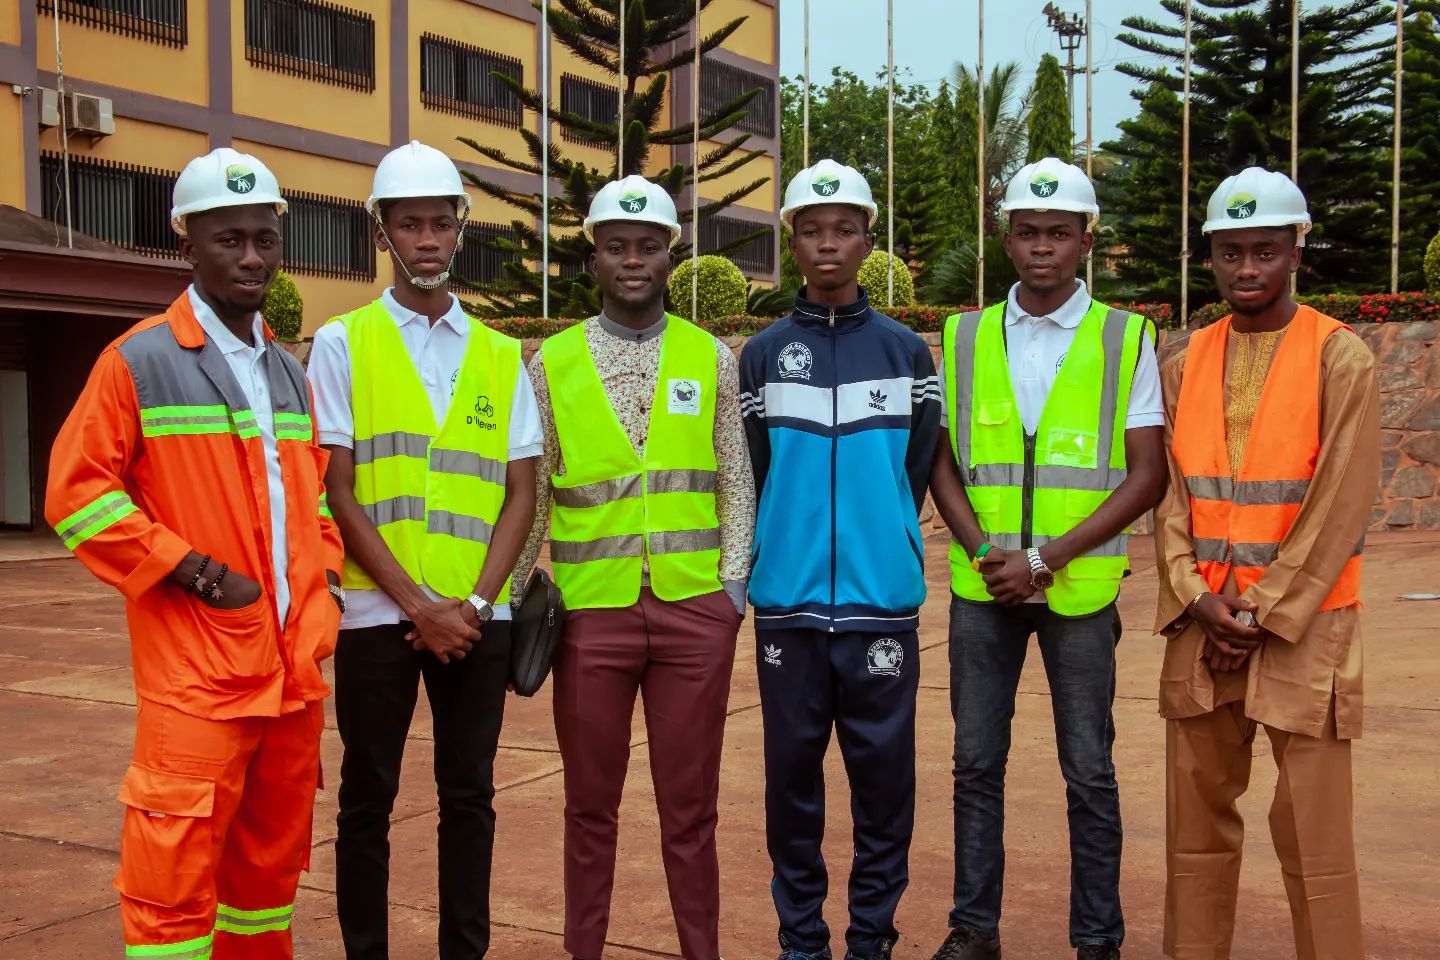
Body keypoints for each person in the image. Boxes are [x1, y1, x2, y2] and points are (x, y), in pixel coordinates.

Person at [45, 147, 342, 959]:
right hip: (197, 676)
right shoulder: (137, 361)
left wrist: (328, 587)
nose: (250, 258)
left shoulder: (287, 371)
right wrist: (198, 573)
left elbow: (312, 501)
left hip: (292, 677)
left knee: (266, 880)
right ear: (189, 244)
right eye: (228, 239)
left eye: (264, 239)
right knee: (170, 882)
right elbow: (76, 494)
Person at [306, 140, 541, 959]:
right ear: (383, 233)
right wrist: (419, 607)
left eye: (442, 223)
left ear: (461, 229)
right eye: (411, 225)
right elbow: (338, 490)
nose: (428, 239)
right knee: (367, 798)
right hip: (377, 616)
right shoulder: (344, 342)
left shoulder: (502, 354)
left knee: (470, 797)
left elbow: (521, 492)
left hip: (477, 622)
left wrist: (472, 605)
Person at [926, 158, 1166, 960]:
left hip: (1079, 591)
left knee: (1089, 771)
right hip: (983, 589)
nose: (1041, 247)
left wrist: (1043, 557)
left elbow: (1147, 475)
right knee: (974, 765)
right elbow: (940, 461)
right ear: (1006, 239)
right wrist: (984, 551)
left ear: (1086, 242)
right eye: (1027, 232)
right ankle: (973, 931)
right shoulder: (963, 336)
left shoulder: (1125, 338)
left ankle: (1097, 939)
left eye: (1058, 233)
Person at [510, 174, 754, 960]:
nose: (634, 260)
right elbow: (533, 493)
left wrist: (733, 590)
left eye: (649, 247)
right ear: (595, 259)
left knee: (691, 809)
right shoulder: (550, 364)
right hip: (592, 616)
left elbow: (734, 473)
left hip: (695, 612)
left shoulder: (710, 356)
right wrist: (512, 598)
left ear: (670, 259)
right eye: (617, 246)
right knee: (589, 807)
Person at [1155, 167, 1378, 960]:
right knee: (1194, 833)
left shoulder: (1340, 358)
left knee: (1315, 835)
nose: (1247, 268)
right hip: (1202, 624)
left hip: (1303, 628)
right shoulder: (1183, 361)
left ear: (1296, 250)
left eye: (1265, 251)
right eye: (1231, 252)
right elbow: (1170, 496)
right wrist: (1197, 598)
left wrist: (1258, 612)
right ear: (1210, 257)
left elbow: (1340, 502)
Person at [739, 158, 941, 960]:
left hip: (879, 605)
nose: (828, 244)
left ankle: (871, 941)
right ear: (792, 241)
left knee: (884, 789)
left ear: (867, 242)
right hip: (787, 608)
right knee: (791, 787)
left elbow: (915, 469)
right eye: (813, 231)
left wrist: (883, 537)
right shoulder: (761, 356)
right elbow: (755, 469)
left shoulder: (905, 353)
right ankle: (802, 942)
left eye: (844, 230)